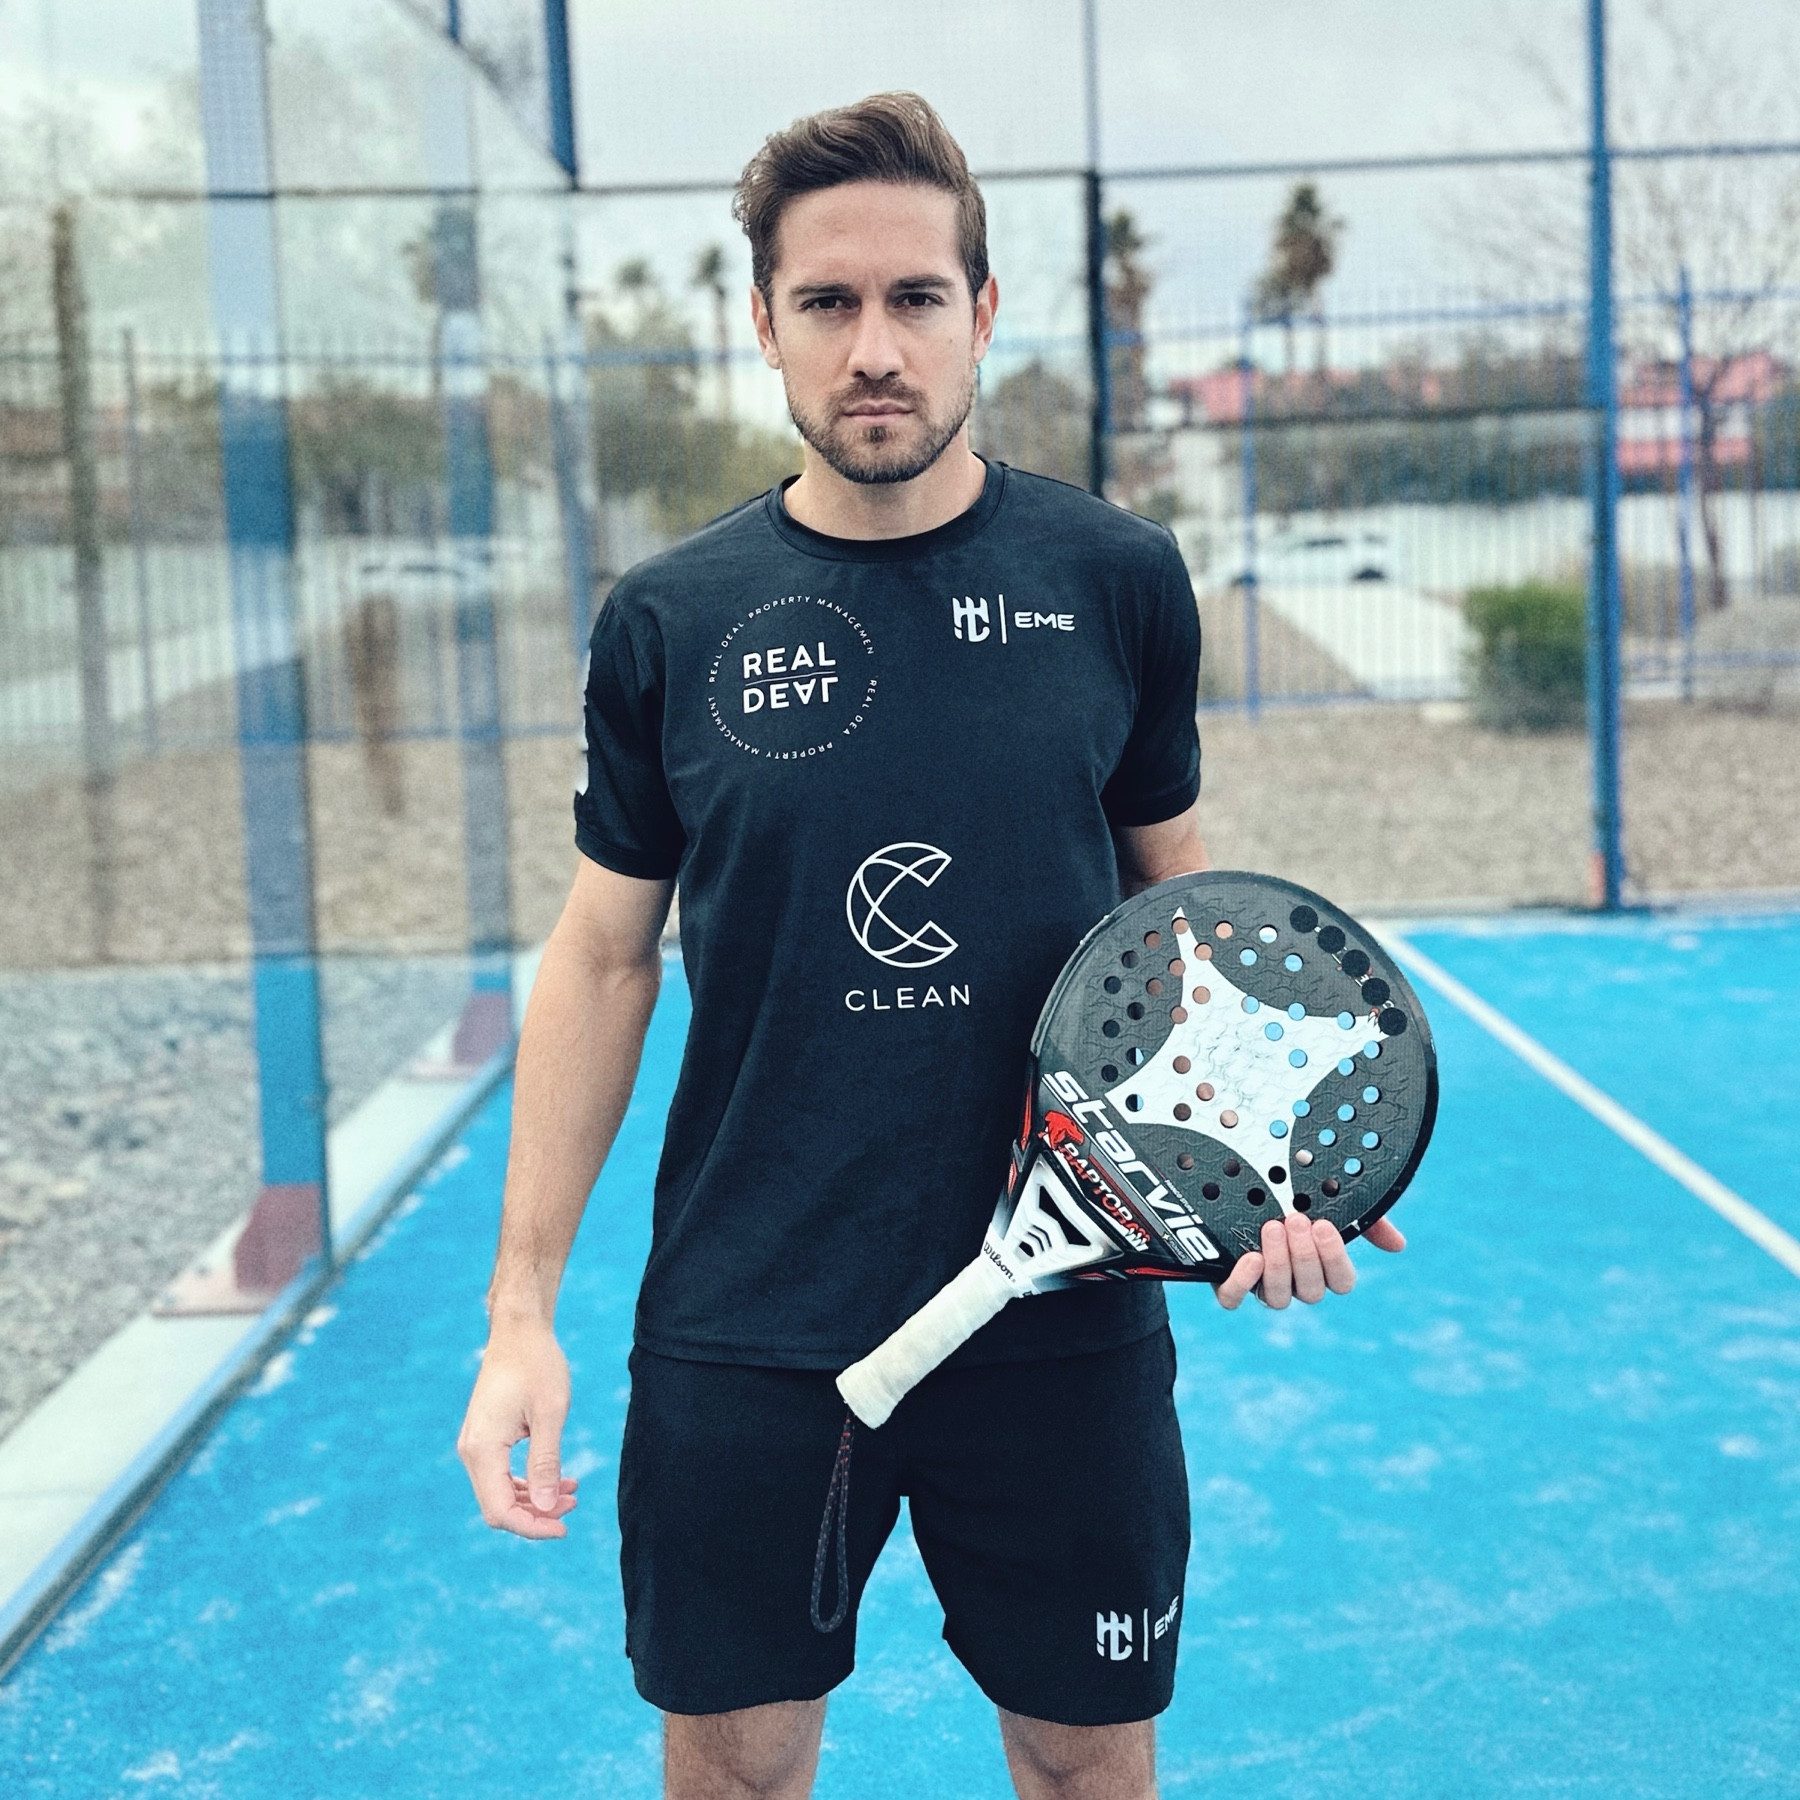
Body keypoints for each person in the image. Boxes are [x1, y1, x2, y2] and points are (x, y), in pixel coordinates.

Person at [457, 90, 1404, 1800]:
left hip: (1063, 1318)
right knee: (736, 1773)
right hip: (752, 1320)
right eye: (827, 303)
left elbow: (1181, 916)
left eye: (915, 298)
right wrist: (519, 1313)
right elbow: (602, 959)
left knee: (1084, 1766)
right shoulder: (669, 621)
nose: (875, 348)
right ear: (765, 325)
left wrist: (1262, 1164)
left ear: (983, 311)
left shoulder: (1116, 579)